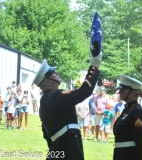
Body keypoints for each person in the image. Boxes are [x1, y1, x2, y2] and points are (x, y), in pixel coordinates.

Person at [33, 12, 102, 160]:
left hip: (58, 149)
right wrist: (94, 65)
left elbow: (47, 135)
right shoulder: (56, 97)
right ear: (47, 82)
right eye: (52, 73)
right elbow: (85, 91)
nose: (56, 73)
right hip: (68, 150)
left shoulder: (45, 100)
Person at [113, 74, 142, 160]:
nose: (119, 92)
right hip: (121, 154)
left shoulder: (136, 112)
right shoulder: (127, 109)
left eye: (123, 89)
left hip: (130, 155)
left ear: (132, 92)